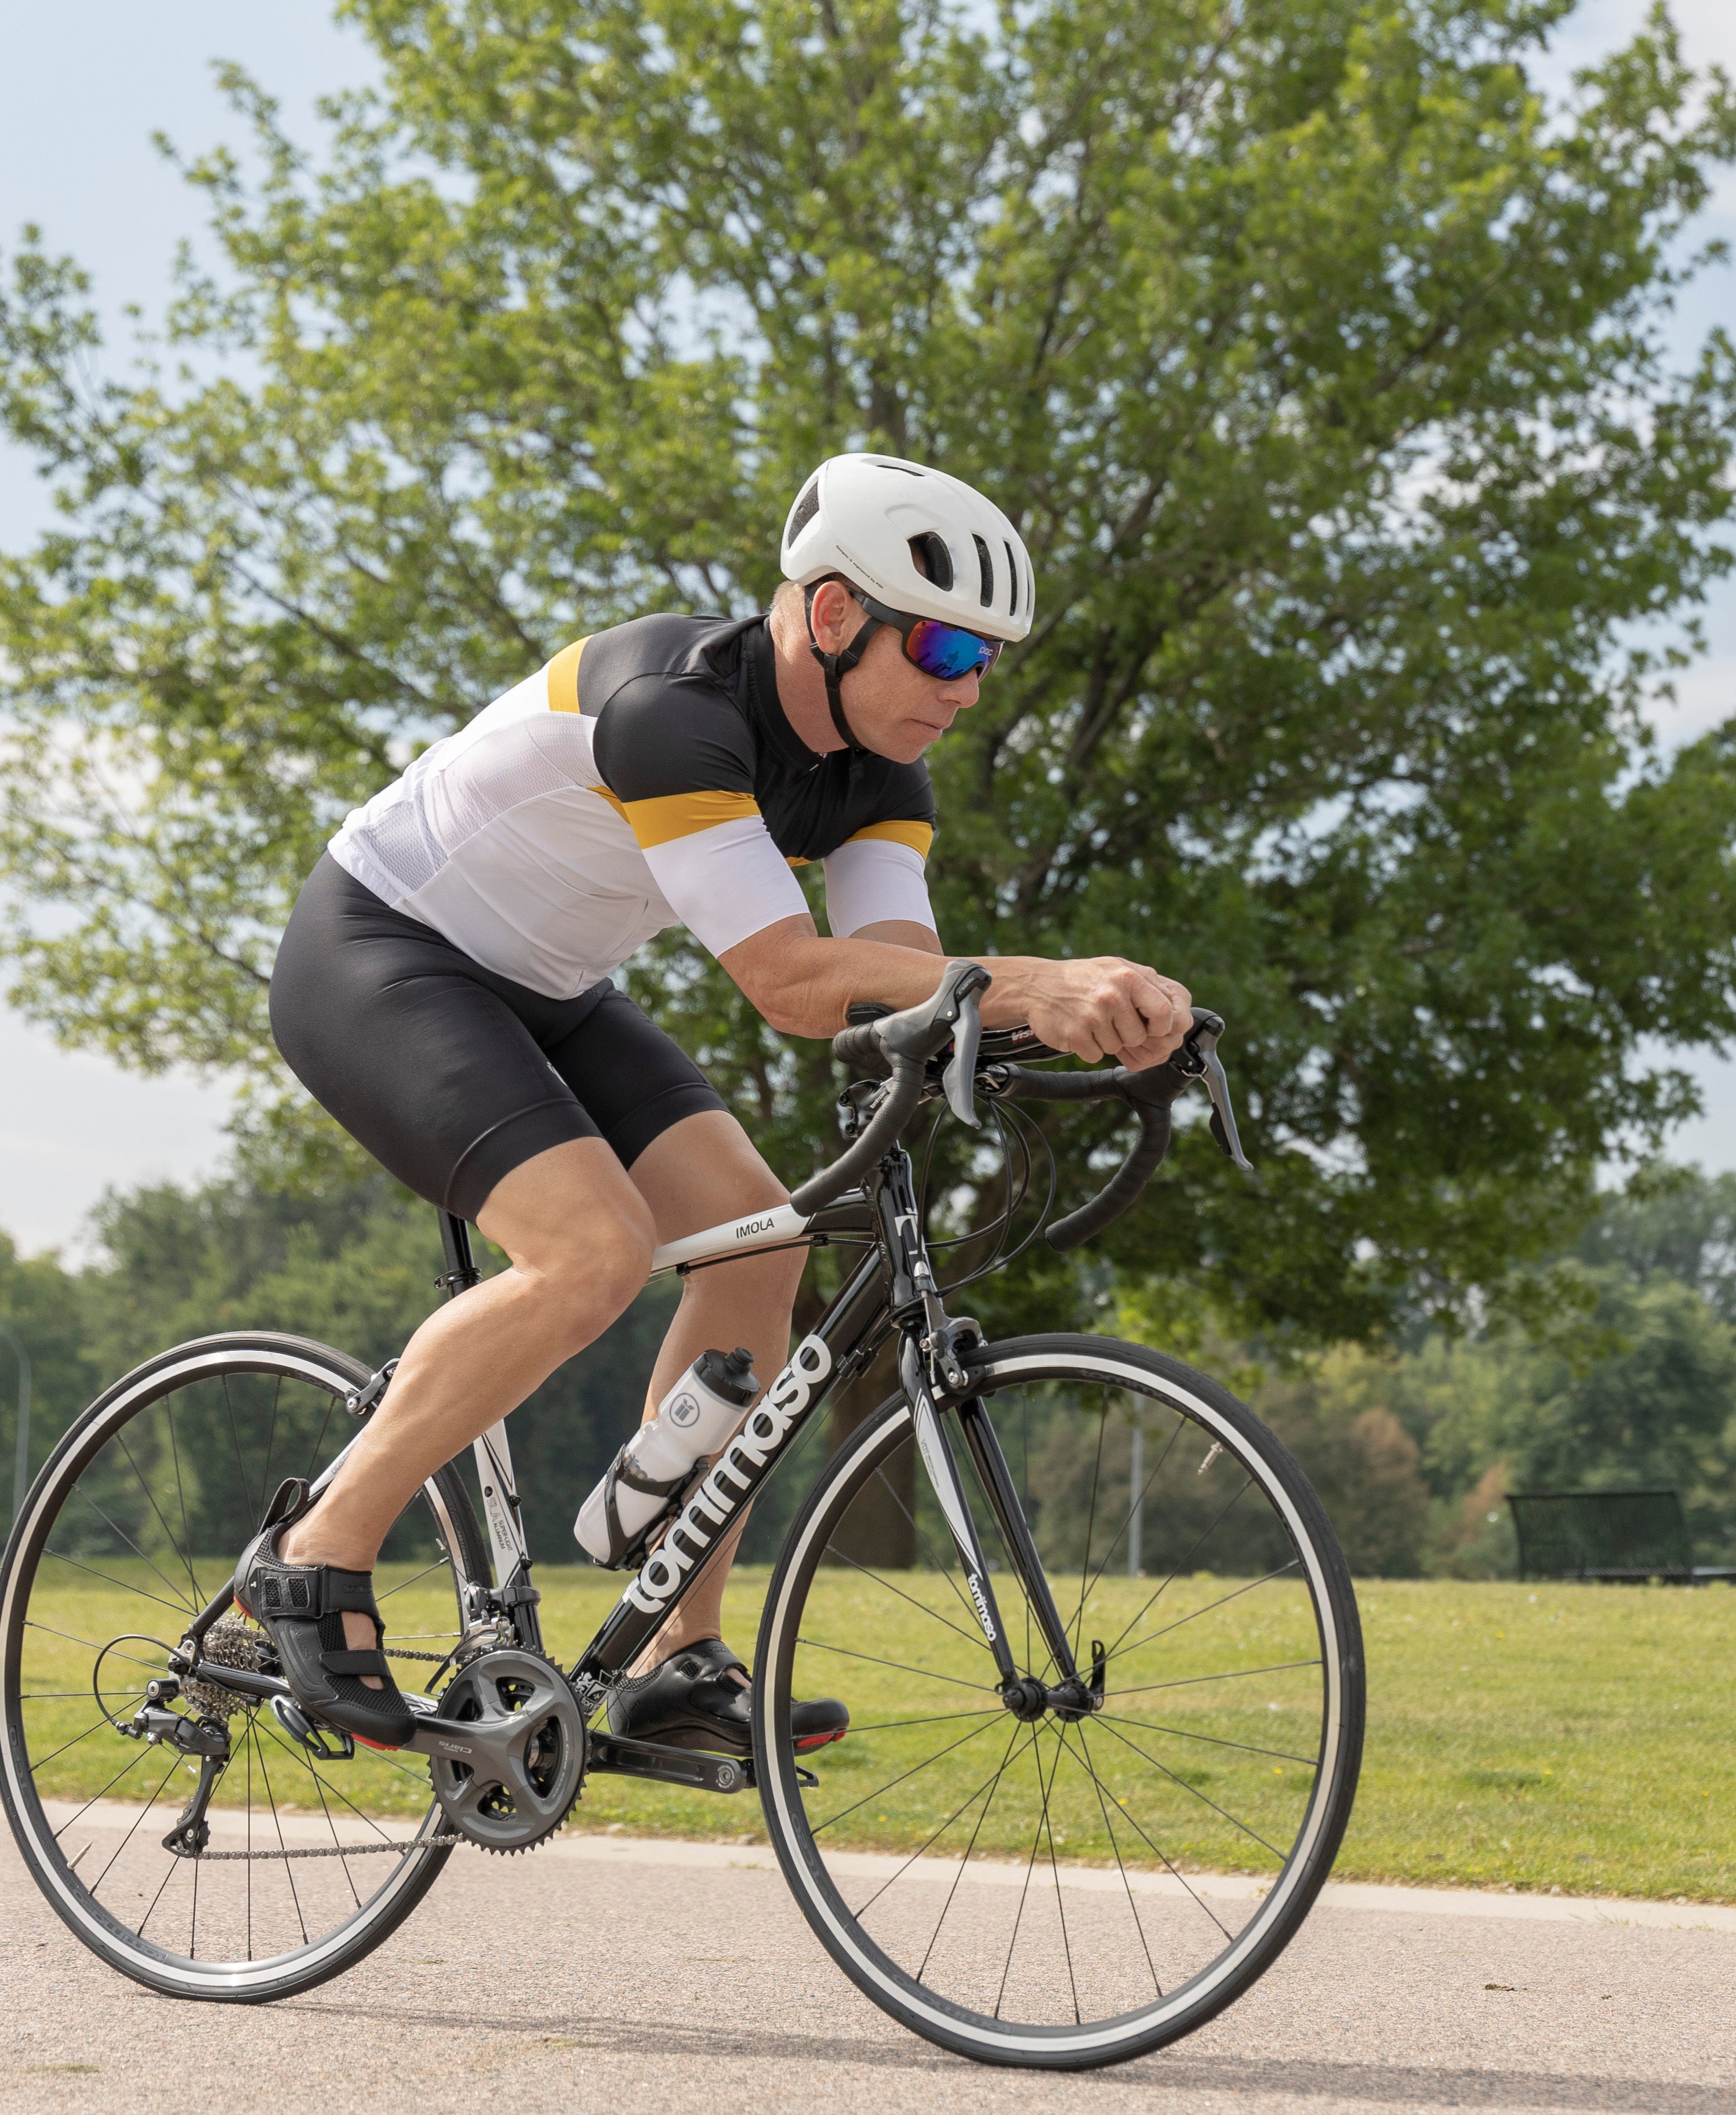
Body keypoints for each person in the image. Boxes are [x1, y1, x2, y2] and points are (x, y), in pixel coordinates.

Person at [230, 455, 1193, 1753]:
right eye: (949, 645)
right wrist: (1036, 982)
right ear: (837, 615)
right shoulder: (674, 711)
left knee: (763, 1247)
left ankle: (673, 1662)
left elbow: (901, 986)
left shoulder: (880, 775)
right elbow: (793, 985)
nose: (966, 691)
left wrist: (1067, 1018)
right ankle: (312, 1553)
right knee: (589, 1255)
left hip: (549, 988)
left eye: (989, 663)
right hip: (384, 951)